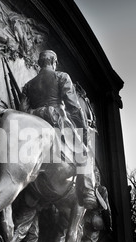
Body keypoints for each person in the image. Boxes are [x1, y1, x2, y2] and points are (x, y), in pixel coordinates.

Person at [19, 49, 98, 210]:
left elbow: (22, 110)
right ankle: (89, 191)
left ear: (40, 63)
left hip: (33, 120)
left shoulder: (28, 85)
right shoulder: (62, 77)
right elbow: (74, 107)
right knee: (85, 153)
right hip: (55, 119)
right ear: (54, 62)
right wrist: (82, 129)